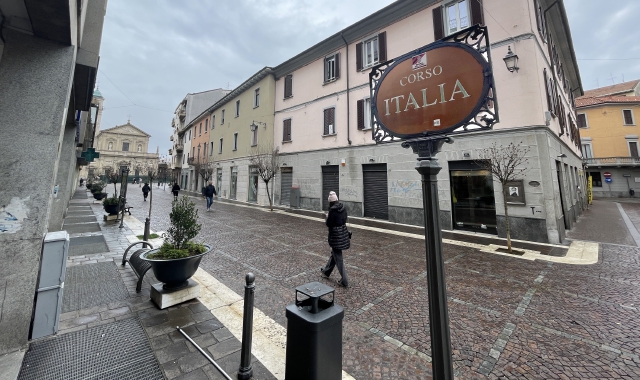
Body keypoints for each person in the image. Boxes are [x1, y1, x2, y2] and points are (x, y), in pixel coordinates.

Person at [320, 191, 350, 287]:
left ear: (330, 202)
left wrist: (327, 217)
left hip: (336, 237)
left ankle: (344, 281)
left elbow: (329, 224)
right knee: (334, 254)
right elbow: (344, 219)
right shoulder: (343, 208)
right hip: (343, 235)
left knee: (338, 258)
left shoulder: (332, 211)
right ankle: (326, 272)